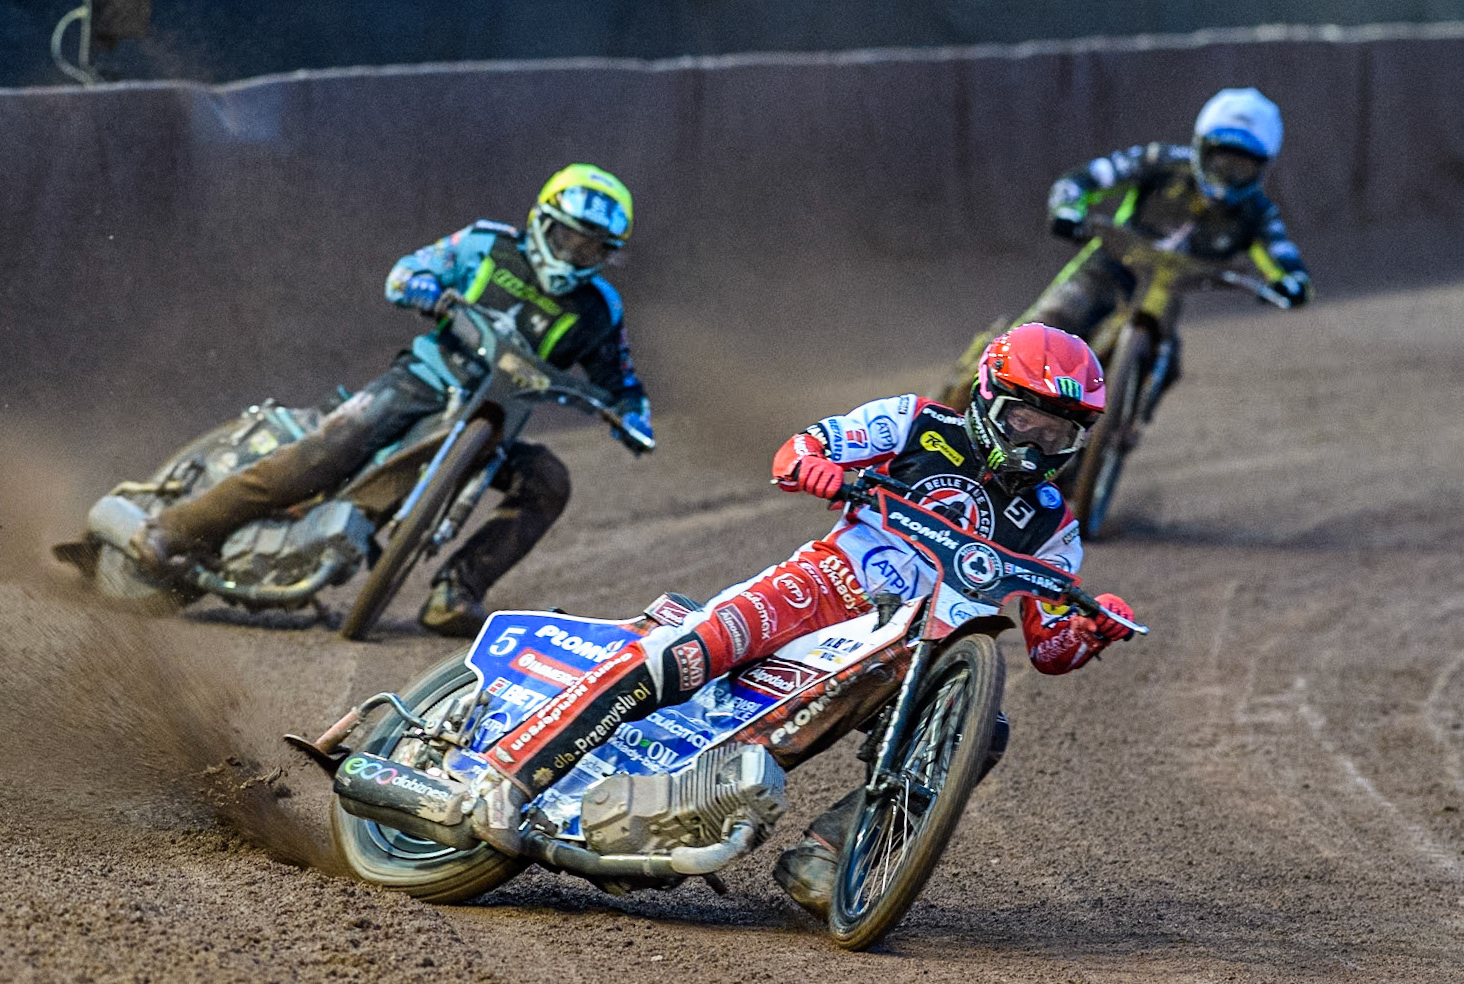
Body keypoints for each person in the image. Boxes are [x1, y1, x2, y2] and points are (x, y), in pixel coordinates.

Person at [466, 322, 1138, 919]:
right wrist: (817, 470)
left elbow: (1049, 646)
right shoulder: (915, 423)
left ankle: (829, 854)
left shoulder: (1055, 524)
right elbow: (800, 450)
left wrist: (1090, 628)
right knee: (685, 655)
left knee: (981, 729)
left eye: (1060, 432)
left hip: (915, 652)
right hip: (826, 586)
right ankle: (514, 772)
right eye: (1028, 420)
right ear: (991, 399)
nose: (1040, 442)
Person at [129, 163, 651, 637]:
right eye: (566, 237)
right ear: (542, 220)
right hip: (420, 382)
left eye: (589, 249)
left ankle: (457, 593)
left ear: (606, 255)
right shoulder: (485, 244)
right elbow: (406, 272)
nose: (571, 254)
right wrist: (425, 289)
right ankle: (172, 531)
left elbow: (622, 378)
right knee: (324, 454)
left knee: (550, 480)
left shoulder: (600, 309)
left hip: (494, 424)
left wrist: (632, 414)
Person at [942, 87, 1311, 411]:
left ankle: (1105, 444)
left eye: (1241, 167)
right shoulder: (1160, 162)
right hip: (1106, 268)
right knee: (1041, 329)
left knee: (1164, 366)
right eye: (1222, 160)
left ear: (1262, 168)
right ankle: (950, 407)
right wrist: (1068, 208)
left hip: (1162, 295)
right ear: (1201, 148)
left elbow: (1286, 260)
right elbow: (1085, 179)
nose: (1228, 176)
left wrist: (1290, 284)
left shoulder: (1258, 213)